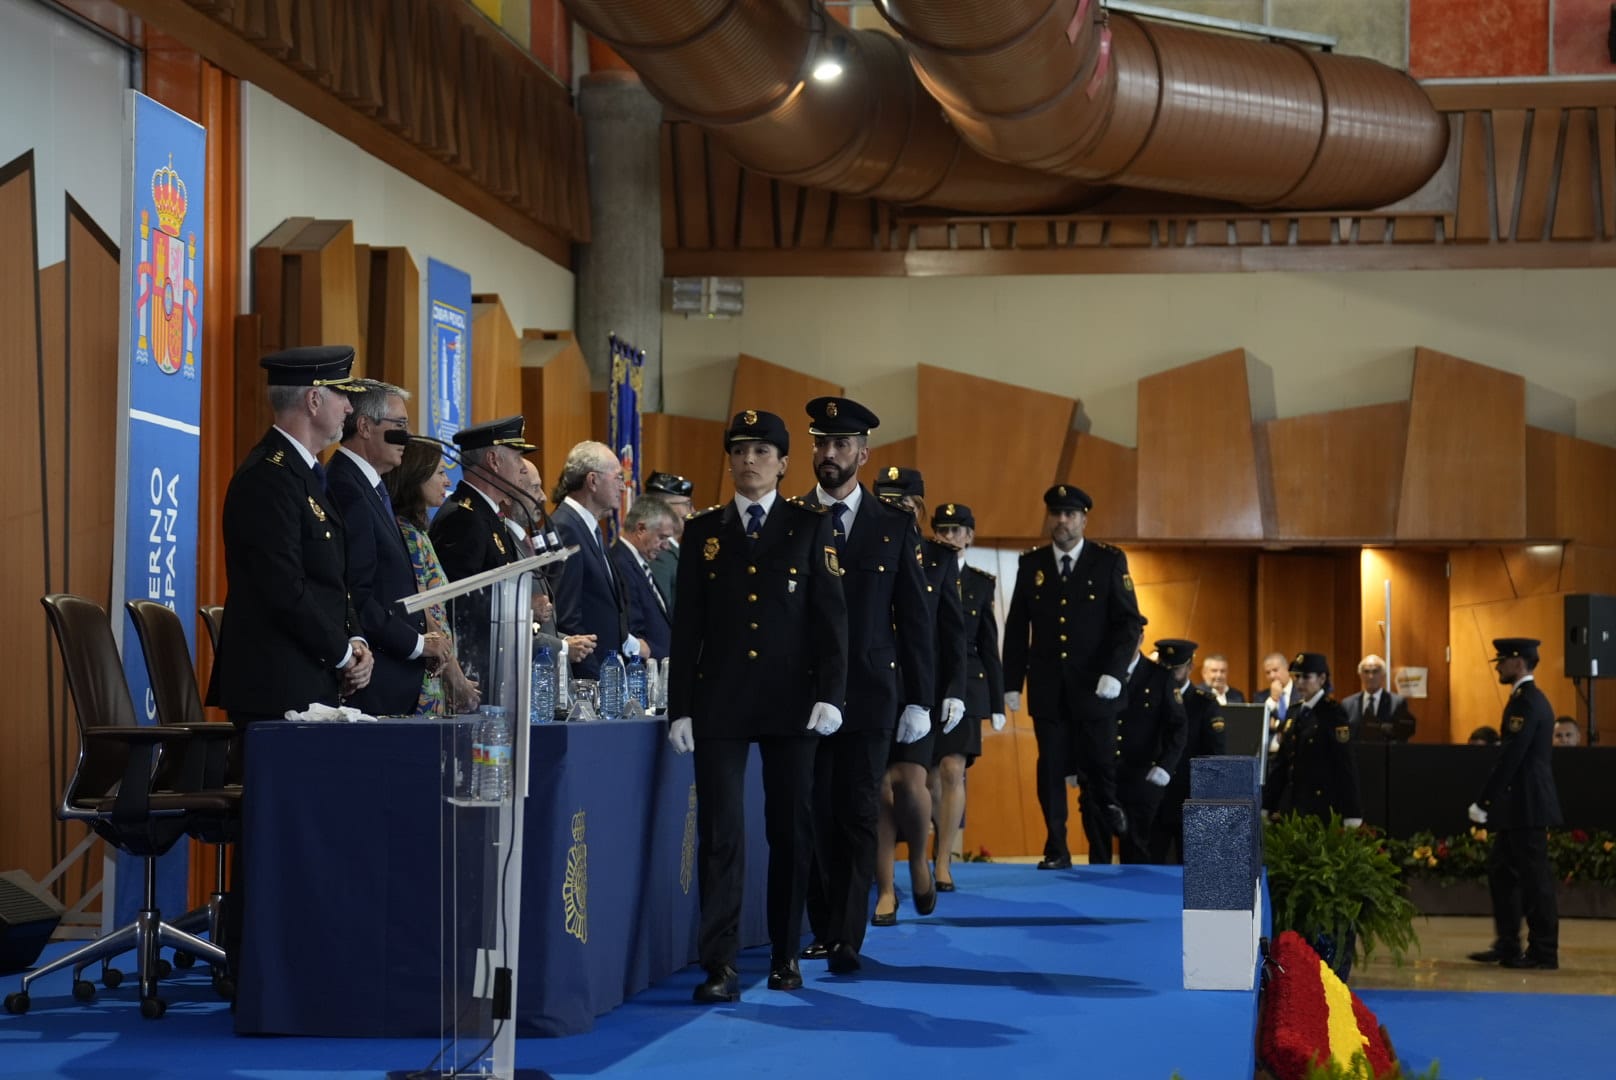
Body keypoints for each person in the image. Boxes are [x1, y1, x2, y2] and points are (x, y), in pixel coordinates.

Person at [665, 409, 848, 1002]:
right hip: (719, 701)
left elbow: (831, 621)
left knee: (790, 830)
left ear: (783, 463)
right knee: (721, 834)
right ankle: (719, 964)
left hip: (791, 701)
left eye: (761, 451)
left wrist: (831, 694)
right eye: (739, 450)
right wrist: (680, 708)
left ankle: (786, 952)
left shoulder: (808, 525)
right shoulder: (703, 531)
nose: (749, 461)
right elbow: (686, 624)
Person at [211, 345, 374, 987]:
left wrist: (354, 641)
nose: (349, 408)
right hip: (278, 683)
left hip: (308, 675)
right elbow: (281, 586)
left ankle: (292, 967)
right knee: (274, 836)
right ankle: (253, 972)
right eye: (341, 396)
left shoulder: (306, 475)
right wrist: (339, 650)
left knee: (301, 832)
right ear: (312, 399)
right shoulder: (269, 476)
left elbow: (332, 582)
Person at [799, 397, 933, 974]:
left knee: (856, 812)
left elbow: (916, 618)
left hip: (873, 694)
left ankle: (844, 935)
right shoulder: (791, 518)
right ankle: (823, 922)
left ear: (862, 453)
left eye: (841, 445)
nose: (829, 454)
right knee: (812, 814)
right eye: (821, 443)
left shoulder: (893, 525)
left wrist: (921, 698)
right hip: (803, 696)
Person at [1002, 484, 1144, 868]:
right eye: (1057, 513)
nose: (1062, 520)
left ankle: (1100, 851)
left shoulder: (1108, 561)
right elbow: (1017, 628)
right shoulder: (1031, 565)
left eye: (1070, 514)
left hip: (1097, 690)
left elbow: (1130, 623)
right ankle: (1056, 848)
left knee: (1097, 769)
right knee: (1050, 767)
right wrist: (1010, 683)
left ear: (1084, 519)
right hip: (1049, 689)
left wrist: (1115, 672)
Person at [868, 468, 965, 926]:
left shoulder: (938, 558)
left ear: (921, 508)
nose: (896, 511)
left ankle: (920, 861)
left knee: (910, 782)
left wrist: (954, 691)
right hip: (870, 684)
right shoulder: (860, 551)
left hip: (917, 687)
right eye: (887, 502)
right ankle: (885, 890)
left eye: (905, 504)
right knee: (877, 789)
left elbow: (953, 633)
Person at [325, 379, 450, 716]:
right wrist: (419, 644)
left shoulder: (371, 487)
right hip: (373, 684)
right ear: (365, 426)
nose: (407, 438)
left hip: (396, 681)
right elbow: (358, 594)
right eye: (399, 426)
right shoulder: (345, 487)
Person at [1467, 638, 1562, 970]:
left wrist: (1485, 801)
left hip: (1527, 805)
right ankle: (1508, 944)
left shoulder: (1526, 702)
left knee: (1535, 880)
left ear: (1519, 662)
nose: (1499, 667)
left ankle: (1544, 951)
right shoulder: (1527, 699)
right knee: (1503, 874)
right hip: (1519, 805)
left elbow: (1511, 756)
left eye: (1503, 661)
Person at [928, 502, 1005, 892]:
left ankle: (943, 862)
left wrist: (996, 699)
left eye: (958, 530)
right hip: (925, 683)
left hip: (968, 686)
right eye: (943, 529)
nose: (951, 537)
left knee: (952, 771)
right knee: (924, 778)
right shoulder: (921, 570)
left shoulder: (979, 582)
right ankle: (919, 856)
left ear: (971, 537)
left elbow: (988, 644)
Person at [427, 415, 538, 682]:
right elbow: (457, 607)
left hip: (498, 661)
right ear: (493, 460)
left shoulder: (487, 514)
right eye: (517, 458)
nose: (523, 469)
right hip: (475, 670)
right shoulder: (463, 517)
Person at [382, 439, 481, 714]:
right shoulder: (407, 534)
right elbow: (425, 615)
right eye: (439, 473)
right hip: (422, 679)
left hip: (433, 676)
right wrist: (458, 681)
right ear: (416, 474)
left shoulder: (419, 532)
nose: (448, 482)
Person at [550, 441, 637, 677]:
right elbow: (568, 618)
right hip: (586, 680)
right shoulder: (566, 527)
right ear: (593, 481)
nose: (623, 487)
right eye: (618, 478)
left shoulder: (589, 529)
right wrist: (593, 680)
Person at [1261, 652, 1362, 826]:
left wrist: (1352, 812)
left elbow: (1345, 764)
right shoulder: (1295, 711)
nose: (1300, 682)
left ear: (1322, 679)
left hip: (1322, 806)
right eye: (1297, 676)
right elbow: (1282, 763)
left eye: (1306, 677)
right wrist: (1267, 805)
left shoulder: (1333, 713)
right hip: (1294, 805)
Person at [1150, 639, 1227, 864]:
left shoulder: (1204, 704)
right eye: (1165, 667)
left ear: (1190, 667)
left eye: (1176, 668)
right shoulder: (1151, 698)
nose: (1170, 673)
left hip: (1190, 797)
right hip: (1156, 798)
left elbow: (1215, 754)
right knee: (1149, 866)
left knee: (1192, 868)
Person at [1113, 632, 1187, 864]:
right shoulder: (1106, 670)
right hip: (1108, 774)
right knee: (1101, 848)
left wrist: (1166, 766)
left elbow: (1179, 725)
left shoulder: (1159, 677)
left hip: (1143, 775)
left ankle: (1137, 898)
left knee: (1137, 846)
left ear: (1140, 638)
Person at [609, 497, 678, 659]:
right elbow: (634, 633)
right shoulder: (621, 564)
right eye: (662, 537)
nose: (666, 546)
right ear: (641, 529)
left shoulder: (639, 563)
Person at [642, 471, 694, 617]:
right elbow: (659, 613)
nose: (693, 511)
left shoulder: (673, 551)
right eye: (687, 504)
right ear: (665, 507)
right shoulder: (659, 554)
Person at [1343, 653, 1417, 743]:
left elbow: (1401, 737)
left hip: (1385, 754)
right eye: (1366, 672)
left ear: (1383, 675)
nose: (1371, 676)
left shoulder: (1397, 703)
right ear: (1360, 675)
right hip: (1356, 755)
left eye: (1375, 672)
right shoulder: (1347, 704)